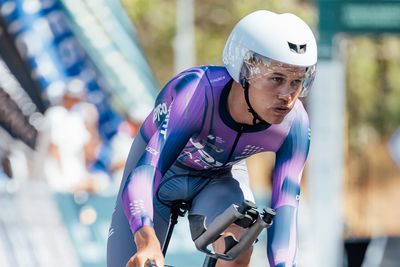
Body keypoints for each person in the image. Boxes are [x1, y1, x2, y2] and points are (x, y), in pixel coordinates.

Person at [107, 10, 317, 267]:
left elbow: (285, 208)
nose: (288, 95)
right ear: (244, 71)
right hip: (158, 173)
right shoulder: (197, 92)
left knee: (242, 234)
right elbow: (146, 172)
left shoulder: (294, 123)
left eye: (298, 81)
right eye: (277, 79)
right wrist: (146, 237)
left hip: (218, 177)